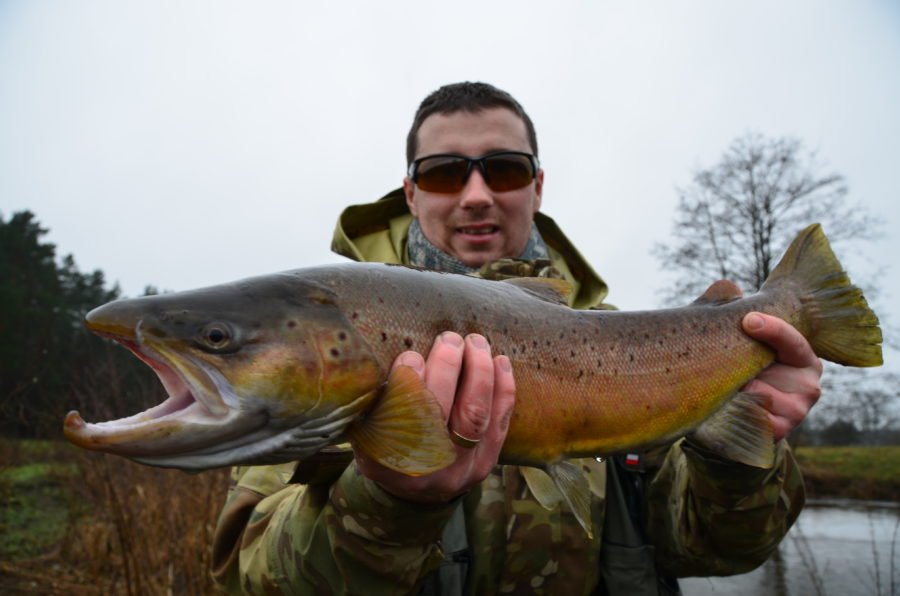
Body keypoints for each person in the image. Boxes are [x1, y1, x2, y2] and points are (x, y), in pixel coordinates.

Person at [211, 82, 821, 595]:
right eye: (446, 173)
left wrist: (740, 449)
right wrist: (386, 501)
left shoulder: (636, 354)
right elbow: (244, 574)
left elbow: (714, 550)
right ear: (411, 192)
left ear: (537, 185)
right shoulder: (326, 342)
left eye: (503, 169)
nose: (477, 195)